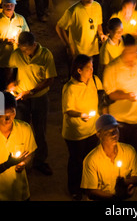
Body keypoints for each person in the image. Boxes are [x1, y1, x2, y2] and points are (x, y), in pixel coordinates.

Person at [7, 31, 57, 176]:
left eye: (26, 49)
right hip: (21, 100)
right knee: (22, 130)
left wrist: (32, 92)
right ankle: (21, 162)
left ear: (34, 45)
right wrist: (11, 85)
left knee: (40, 131)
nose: (23, 52)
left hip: (39, 98)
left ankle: (40, 161)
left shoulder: (46, 55)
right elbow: (12, 73)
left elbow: (49, 80)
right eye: (21, 48)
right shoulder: (16, 55)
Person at [103, 33, 137, 162]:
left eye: (135, 51)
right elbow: (110, 94)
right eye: (130, 52)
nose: (133, 56)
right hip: (121, 118)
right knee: (122, 154)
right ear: (123, 51)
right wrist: (127, 96)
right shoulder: (112, 68)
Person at [62, 54, 103, 200]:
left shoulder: (95, 81)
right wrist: (81, 114)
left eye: (92, 67)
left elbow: (102, 97)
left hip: (92, 129)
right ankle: (74, 188)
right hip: (76, 133)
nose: (92, 70)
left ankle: (87, 186)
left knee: (89, 160)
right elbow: (68, 110)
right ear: (79, 70)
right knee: (77, 161)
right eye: (88, 68)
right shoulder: (70, 87)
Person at [80, 114, 137, 200]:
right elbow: (91, 191)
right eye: (108, 132)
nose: (114, 135)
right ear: (99, 135)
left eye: (115, 130)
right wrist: (115, 198)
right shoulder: (91, 160)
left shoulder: (129, 151)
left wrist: (125, 182)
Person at [56, 0, 106, 76]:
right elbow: (59, 27)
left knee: (92, 74)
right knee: (78, 76)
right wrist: (68, 45)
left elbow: (98, 24)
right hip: (78, 52)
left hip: (93, 49)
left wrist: (101, 34)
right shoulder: (73, 11)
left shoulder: (97, 7)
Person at [0, 91, 37, 201]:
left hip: (20, 192)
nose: (9, 118)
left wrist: (24, 163)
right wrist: (8, 164)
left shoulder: (24, 128)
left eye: (12, 112)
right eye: (3, 114)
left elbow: (30, 152)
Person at [0, 0, 29, 68]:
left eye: (11, 4)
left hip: (17, 60)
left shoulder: (20, 19)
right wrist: (4, 40)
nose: (9, 7)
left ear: (15, 5)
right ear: (2, 5)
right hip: (2, 60)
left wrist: (20, 41)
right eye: (6, 4)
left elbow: (27, 35)